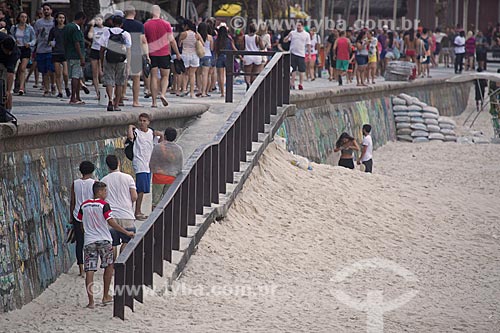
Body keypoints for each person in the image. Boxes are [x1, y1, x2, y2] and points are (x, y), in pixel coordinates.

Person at [76, 181, 134, 309]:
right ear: (100, 191)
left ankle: (91, 301)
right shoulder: (104, 205)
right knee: (108, 266)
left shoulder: (84, 205)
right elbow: (111, 222)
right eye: (105, 191)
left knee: (89, 270)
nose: (106, 193)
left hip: (89, 240)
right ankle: (105, 296)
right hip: (104, 239)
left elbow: (80, 222)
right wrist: (126, 232)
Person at [127, 113, 164, 220]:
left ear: (148, 122)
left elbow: (159, 144)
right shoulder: (136, 132)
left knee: (144, 189)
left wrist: (161, 135)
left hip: (148, 164)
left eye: (144, 121)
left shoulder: (151, 133)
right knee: (140, 189)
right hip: (139, 163)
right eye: (141, 120)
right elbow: (130, 137)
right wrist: (130, 127)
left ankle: (138, 211)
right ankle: (137, 211)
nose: (142, 123)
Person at [100, 155, 137, 258]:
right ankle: (122, 265)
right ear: (119, 163)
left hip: (111, 217)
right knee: (127, 241)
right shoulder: (128, 178)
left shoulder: (103, 180)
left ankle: (112, 268)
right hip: (127, 215)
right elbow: (134, 196)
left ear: (107, 166)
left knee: (113, 243)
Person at [144, 5, 181, 107]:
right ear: (160, 12)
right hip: (164, 53)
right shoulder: (166, 24)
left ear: (151, 12)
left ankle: (154, 102)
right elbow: (172, 40)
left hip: (152, 54)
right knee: (165, 76)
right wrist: (177, 53)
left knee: (154, 77)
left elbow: (144, 42)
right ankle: (163, 94)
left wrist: (146, 55)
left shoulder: (146, 25)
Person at [99, 15, 131, 111]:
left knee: (109, 80)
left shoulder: (106, 32)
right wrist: (128, 64)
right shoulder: (125, 34)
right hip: (121, 59)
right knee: (119, 82)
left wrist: (101, 61)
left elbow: (102, 48)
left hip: (108, 58)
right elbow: (128, 50)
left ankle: (109, 100)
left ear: (112, 23)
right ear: (121, 24)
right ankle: (116, 104)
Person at [69, 161, 96, 276]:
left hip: (77, 215)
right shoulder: (94, 183)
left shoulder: (75, 183)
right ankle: (89, 266)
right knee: (91, 241)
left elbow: (73, 201)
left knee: (79, 243)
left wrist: (71, 216)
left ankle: (81, 269)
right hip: (90, 215)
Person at [149, 127, 184, 208]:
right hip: (172, 178)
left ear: (165, 136)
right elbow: (180, 165)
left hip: (158, 177)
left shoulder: (158, 147)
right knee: (169, 201)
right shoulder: (179, 149)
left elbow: (152, 162)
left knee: (156, 202)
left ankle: (154, 218)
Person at [122, 6, 149, 107]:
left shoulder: (122, 24)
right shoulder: (139, 25)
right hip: (136, 52)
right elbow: (143, 40)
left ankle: (121, 97)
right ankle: (135, 101)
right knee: (136, 77)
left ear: (125, 13)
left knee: (123, 76)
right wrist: (147, 55)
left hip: (123, 52)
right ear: (135, 13)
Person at [63, 11, 86, 105]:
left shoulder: (67, 27)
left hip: (69, 54)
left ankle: (77, 96)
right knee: (75, 77)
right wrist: (81, 57)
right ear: (81, 19)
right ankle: (73, 97)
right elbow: (77, 43)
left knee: (76, 76)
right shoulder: (76, 28)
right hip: (76, 56)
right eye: (83, 20)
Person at [10, 12, 35, 96]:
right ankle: (13, 85)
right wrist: (14, 41)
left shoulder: (30, 28)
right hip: (17, 48)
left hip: (25, 48)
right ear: (19, 18)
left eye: (25, 17)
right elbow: (11, 36)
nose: (24, 18)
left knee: (23, 68)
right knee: (15, 68)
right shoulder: (14, 28)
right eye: (22, 17)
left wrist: (30, 44)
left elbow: (34, 39)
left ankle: (22, 87)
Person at [34, 3, 55, 97]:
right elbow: (35, 35)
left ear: (51, 10)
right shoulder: (38, 22)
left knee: (51, 69)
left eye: (48, 9)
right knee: (44, 70)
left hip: (51, 49)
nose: (46, 11)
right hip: (41, 48)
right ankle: (46, 89)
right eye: (44, 9)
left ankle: (53, 84)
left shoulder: (54, 21)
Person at [284, 21, 311, 90]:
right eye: (297, 25)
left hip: (301, 54)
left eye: (299, 25)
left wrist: (309, 54)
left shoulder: (306, 34)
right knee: (293, 69)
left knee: (301, 69)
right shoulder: (293, 33)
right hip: (292, 53)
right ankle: (292, 83)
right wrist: (288, 36)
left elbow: (308, 45)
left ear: (302, 26)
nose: (298, 27)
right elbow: (285, 40)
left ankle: (301, 83)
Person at [48, 12, 70, 98]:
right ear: (56, 19)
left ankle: (67, 86)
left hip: (65, 52)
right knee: (57, 74)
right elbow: (49, 40)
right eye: (60, 18)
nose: (61, 19)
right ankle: (60, 91)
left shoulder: (67, 29)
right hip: (56, 52)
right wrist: (51, 43)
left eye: (63, 18)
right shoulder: (53, 30)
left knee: (65, 73)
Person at [179, 19, 202, 98]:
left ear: (186, 26)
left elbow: (179, 44)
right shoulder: (196, 34)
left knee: (185, 73)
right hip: (194, 55)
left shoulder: (183, 34)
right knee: (192, 74)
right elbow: (202, 43)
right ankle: (192, 93)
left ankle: (184, 89)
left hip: (185, 54)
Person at [87, 15, 107, 100]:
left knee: (102, 72)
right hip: (94, 50)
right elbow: (90, 36)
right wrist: (92, 25)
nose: (98, 21)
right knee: (95, 73)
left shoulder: (106, 29)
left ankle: (104, 91)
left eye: (99, 19)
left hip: (103, 50)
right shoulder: (94, 29)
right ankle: (97, 92)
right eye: (96, 20)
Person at [214, 25, 237, 98]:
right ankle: (228, 90)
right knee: (228, 75)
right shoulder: (229, 39)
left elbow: (214, 49)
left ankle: (222, 92)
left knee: (220, 76)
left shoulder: (217, 40)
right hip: (228, 57)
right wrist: (239, 56)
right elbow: (234, 48)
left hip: (220, 57)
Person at [0, 32, 20, 110]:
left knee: (5, 89)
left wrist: (8, 90)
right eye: (7, 51)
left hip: (8, 64)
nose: (9, 53)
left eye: (10, 51)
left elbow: (10, 74)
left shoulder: (14, 53)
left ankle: (8, 112)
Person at [242, 23, 264, 90]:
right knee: (255, 72)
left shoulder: (245, 37)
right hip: (257, 56)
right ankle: (252, 84)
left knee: (247, 72)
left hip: (247, 56)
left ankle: (248, 83)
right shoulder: (257, 37)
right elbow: (262, 47)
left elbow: (242, 46)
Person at [197, 22, 213, 97]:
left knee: (198, 74)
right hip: (208, 55)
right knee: (205, 75)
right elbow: (212, 48)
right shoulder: (209, 37)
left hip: (199, 55)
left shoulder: (197, 36)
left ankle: (199, 90)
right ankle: (204, 92)